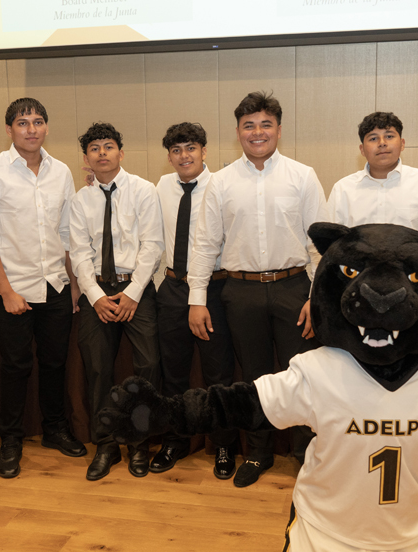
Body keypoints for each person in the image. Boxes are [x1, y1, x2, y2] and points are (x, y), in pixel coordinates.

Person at [188, 91, 325, 487]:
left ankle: (305, 455)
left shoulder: (303, 176)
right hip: (241, 292)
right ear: (238, 133)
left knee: (303, 376)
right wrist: (197, 300)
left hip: (294, 289)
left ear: (279, 130)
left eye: (266, 124)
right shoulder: (221, 182)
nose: (258, 132)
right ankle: (260, 453)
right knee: (255, 378)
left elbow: (320, 244)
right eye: (249, 125)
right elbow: (205, 244)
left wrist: (317, 297)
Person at [0, 98, 86, 479]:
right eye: (23, 123)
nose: (31, 129)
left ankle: (54, 429)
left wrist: (71, 284)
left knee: (55, 364)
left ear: (47, 127)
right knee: (15, 367)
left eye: (38, 121)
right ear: (9, 130)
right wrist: (5, 291)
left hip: (55, 284)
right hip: (13, 288)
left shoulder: (61, 171)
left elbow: (68, 232)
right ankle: (12, 438)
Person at [69, 122, 164, 481]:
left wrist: (132, 293)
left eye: (109, 146)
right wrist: (95, 296)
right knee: (97, 370)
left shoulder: (143, 190)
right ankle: (106, 445)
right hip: (98, 292)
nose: (102, 153)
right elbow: (79, 253)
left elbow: (152, 245)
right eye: (95, 148)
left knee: (148, 367)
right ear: (87, 158)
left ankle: (140, 444)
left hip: (136, 289)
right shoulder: (80, 201)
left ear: (120, 153)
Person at [150, 122, 237, 478]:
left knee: (219, 374)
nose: (184, 156)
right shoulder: (161, 187)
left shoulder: (223, 186)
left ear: (204, 151)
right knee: (173, 372)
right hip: (171, 288)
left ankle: (224, 445)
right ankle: (176, 440)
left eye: (191, 148)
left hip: (214, 290)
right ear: (169, 156)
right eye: (176, 150)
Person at [324, 111, 418, 232]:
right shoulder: (343, 189)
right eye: (373, 139)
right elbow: (331, 241)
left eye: (389, 136)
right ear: (362, 149)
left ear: (402, 144)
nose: (382, 143)